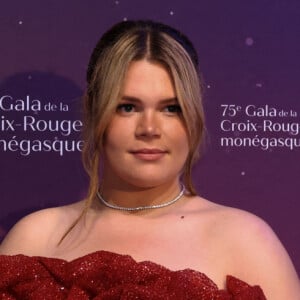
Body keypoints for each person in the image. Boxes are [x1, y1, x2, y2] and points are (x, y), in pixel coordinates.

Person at [0, 20, 299, 299]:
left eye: (171, 108)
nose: (150, 129)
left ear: (194, 116)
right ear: (93, 111)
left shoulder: (246, 239)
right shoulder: (35, 236)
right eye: (128, 107)